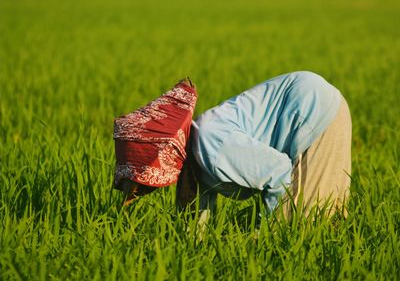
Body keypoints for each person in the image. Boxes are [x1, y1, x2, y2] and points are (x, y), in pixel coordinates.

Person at [177, 71, 352, 221]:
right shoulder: (194, 161)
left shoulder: (212, 145)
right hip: (319, 103)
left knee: (300, 224)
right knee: (326, 218)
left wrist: (265, 228)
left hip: (311, 110)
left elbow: (278, 173)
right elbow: (196, 219)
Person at [113, 78, 198, 206]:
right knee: (134, 188)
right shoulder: (180, 108)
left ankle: (123, 207)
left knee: (131, 190)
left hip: (132, 142)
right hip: (146, 148)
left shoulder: (171, 104)